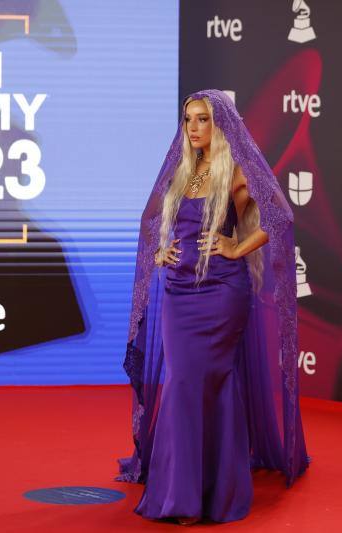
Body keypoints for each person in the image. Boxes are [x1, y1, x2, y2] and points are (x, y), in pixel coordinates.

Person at [116, 89, 309, 524]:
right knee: (182, 380)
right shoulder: (182, 172)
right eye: (188, 120)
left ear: (220, 124)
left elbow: (281, 217)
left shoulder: (238, 172)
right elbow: (154, 224)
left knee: (208, 380)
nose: (194, 128)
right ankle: (180, 491)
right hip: (179, 294)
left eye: (202, 119)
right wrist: (161, 252)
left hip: (222, 292)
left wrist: (238, 247)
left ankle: (210, 493)